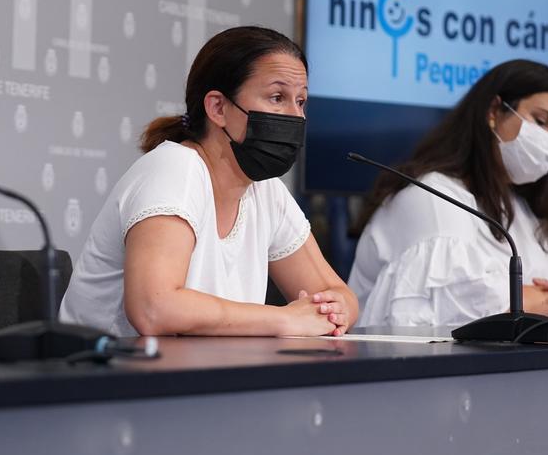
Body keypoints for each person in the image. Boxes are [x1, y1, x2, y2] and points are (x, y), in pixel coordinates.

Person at [59, 26, 358, 337]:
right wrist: (284, 319)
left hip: (196, 375)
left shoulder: (266, 190)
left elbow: (338, 294)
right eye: (277, 97)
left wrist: (333, 310)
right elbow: (154, 308)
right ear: (217, 107)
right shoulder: (176, 169)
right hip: (105, 376)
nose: (295, 117)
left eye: (301, 101)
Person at [349, 59, 548, 327]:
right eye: (541, 121)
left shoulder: (522, 207)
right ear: (493, 111)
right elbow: (474, 308)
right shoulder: (431, 195)